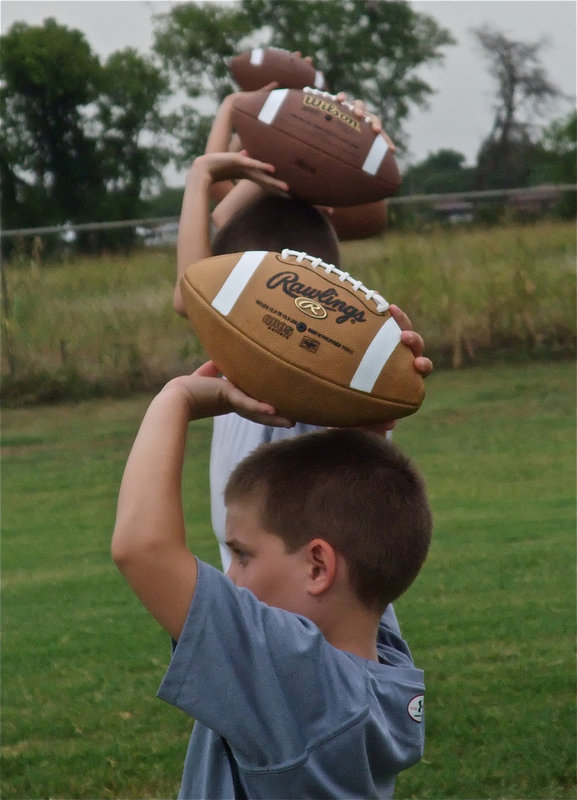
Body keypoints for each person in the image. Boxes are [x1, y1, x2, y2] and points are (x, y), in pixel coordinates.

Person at [111, 360, 433, 799]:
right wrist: (367, 388)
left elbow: (142, 548)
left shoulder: (298, 683)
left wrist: (178, 398)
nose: (229, 575)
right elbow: (360, 526)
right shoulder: (379, 662)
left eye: (242, 554)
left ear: (318, 568)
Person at [172, 86, 433, 571]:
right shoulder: (329, 357)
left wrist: (211, 158)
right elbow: (225, 215)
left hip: (296, 613)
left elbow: (209, 242)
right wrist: (273, 130)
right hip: (300, 607)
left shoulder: (262, 354)